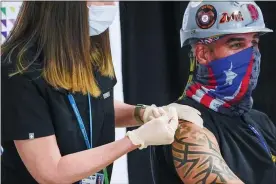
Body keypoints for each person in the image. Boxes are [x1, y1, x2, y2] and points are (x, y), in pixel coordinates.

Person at [1, 1, 203, 184]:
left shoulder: (91, 51)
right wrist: (134, 140)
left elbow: (98, 106)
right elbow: (51, 172)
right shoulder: (19, 69)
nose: (110, 5)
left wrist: (143, 113)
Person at [149, 1, 276, 184]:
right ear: (203, 54)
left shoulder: (259, 121)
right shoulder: (182, 124)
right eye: (237, 44)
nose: (251, 55)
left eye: (254, 43)